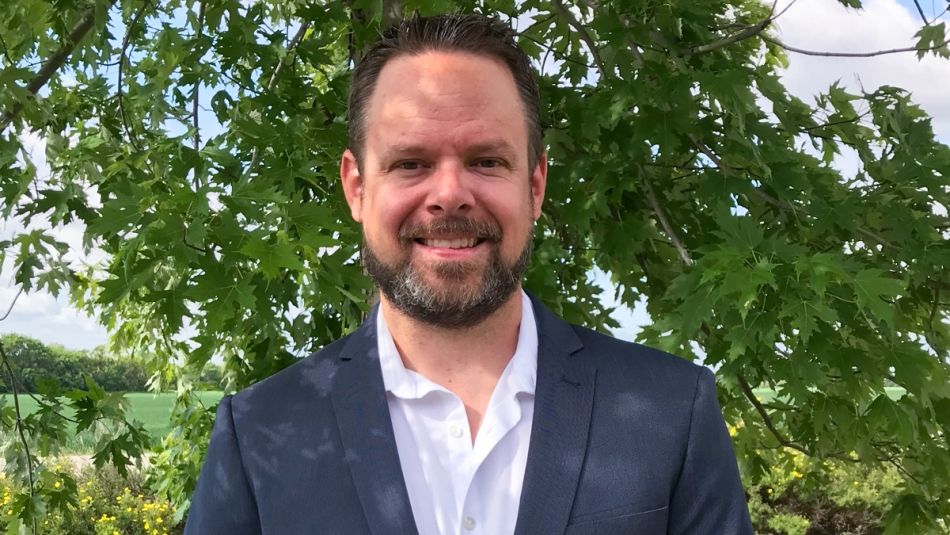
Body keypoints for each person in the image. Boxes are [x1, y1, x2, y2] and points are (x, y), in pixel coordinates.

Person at [185, 13, 753, 535]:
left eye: (486, 161)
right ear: (356, 187)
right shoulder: (258, 435)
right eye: (411, 163)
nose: (450, 195)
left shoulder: (672, 411)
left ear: (534, 185)